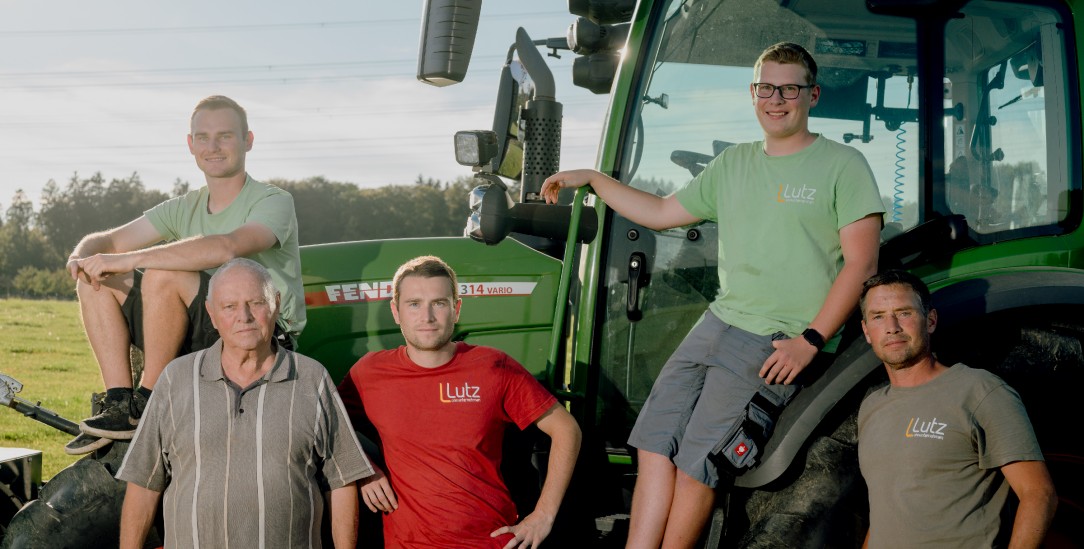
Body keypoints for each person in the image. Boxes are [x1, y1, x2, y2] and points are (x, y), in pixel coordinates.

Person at [540, 42, 885, 547]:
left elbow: (863, 262)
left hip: (779, 336)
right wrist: (594, 179)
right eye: (766, 88)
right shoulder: (733, 164)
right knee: (655, 445)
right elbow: (660, 212)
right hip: (720, 322)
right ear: (753, 94)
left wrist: (810, 339)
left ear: (812, 95)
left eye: (789, 88)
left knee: (699, 462)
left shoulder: (842, 165)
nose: (776, 98)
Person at [64, 95, 305, 455]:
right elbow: (111, 239)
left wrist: (130, 260)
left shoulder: (273, 200)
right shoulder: (185, 205)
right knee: (93, 279)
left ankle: (148, 400)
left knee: (163, 272)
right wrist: (81, 255)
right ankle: (119, 404)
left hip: (259, 329)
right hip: (201, 324)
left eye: (225, 135)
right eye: (203, 137)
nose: (213, 146)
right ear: (190, 144)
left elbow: (227, 247)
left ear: (248, 141)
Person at [116, 258, 373, 548]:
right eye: (230, 307)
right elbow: (143, 484)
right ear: (211, 314)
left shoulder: (312, 378)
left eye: (256, 303)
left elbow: (341, 480)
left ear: (275, 304)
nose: (245, 316)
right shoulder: (176, 379)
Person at [336, 255, 582, 548]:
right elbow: (326, 428)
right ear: (396, 311)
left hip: (489, 541)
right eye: (414, 304)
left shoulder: (492, 366)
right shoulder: (369, 373)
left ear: (457, 309)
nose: (426, 317)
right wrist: (364, 470)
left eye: (439, 303)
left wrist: (543, 515)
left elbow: (567, 430)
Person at [857, 270, 1057, 547]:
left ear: (930, 320)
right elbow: (885, 515)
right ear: (867, 331)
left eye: (904, 313)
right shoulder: (871, 406)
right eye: (878, 316)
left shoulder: (980, 391)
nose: (892, 327)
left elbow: (1039, 494)